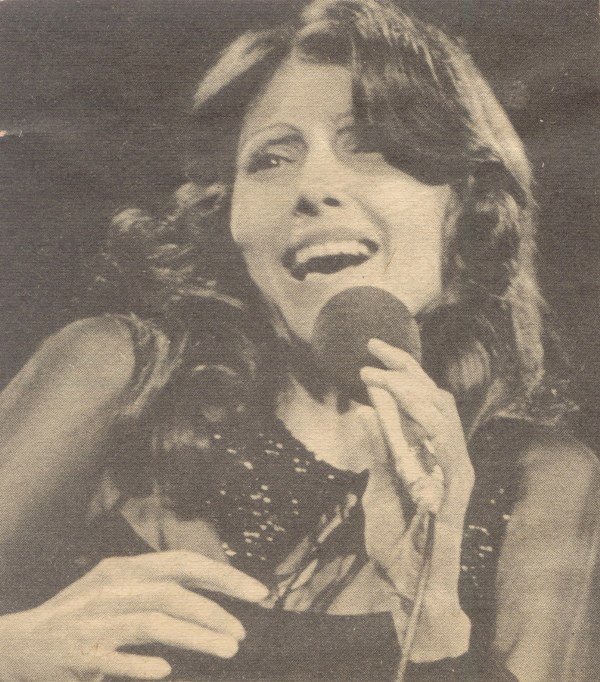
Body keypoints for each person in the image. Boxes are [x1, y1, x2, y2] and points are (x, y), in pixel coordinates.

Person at [0, 0, 598, 680]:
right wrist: (13, 651)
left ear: (462, 208)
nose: (312, 187)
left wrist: (431, 615)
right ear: (228, 219)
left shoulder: (540, 480)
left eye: (368, 145)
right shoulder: (120, 372)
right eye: (270, 159)